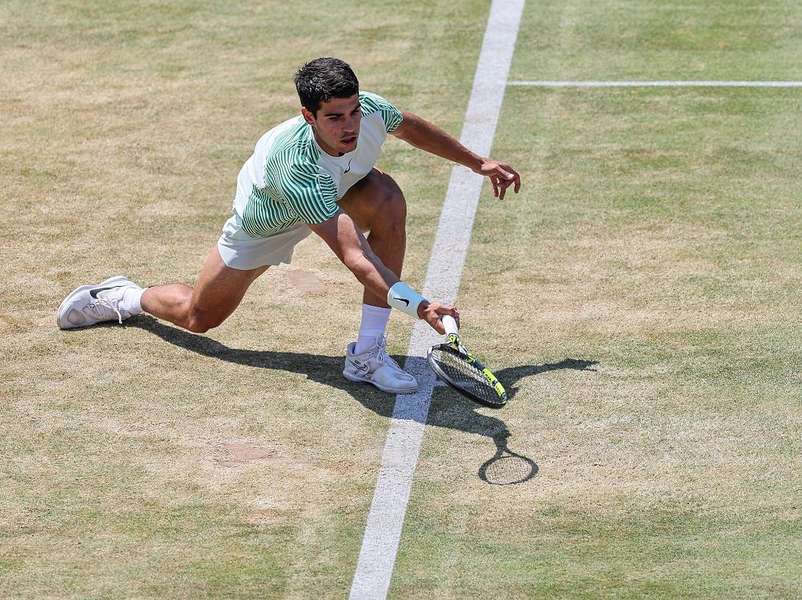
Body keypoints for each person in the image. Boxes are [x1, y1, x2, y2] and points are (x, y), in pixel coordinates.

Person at [57, 57, 521, 394]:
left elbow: (408, 127)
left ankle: (366, 355)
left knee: (386, 200)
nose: (350, 125)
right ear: (309, 116)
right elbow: (357, 258)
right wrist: (420, 306)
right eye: (335, 117)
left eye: (354, 111)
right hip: (269, 220)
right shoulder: (294, 167)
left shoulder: (370, 111)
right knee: (200, 317)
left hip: (340, 185)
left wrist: (478, 163)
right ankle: (123, 296)